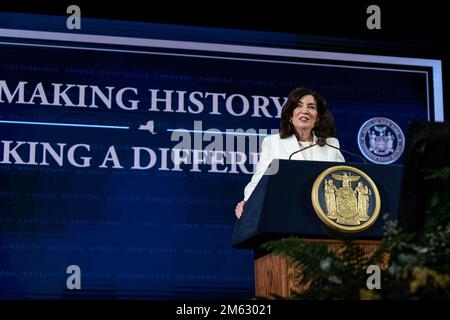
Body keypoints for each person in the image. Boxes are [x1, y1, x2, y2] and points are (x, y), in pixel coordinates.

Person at [235, 87, 345, 219]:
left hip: (324, 214)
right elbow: (260, 179)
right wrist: (248, 202)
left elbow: (341, 179)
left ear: (317, 118)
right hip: (286, 211)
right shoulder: (273, 142)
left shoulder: (331, 144)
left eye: (311, 107)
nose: (305, 111)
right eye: (298, 106)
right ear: (290, 115)